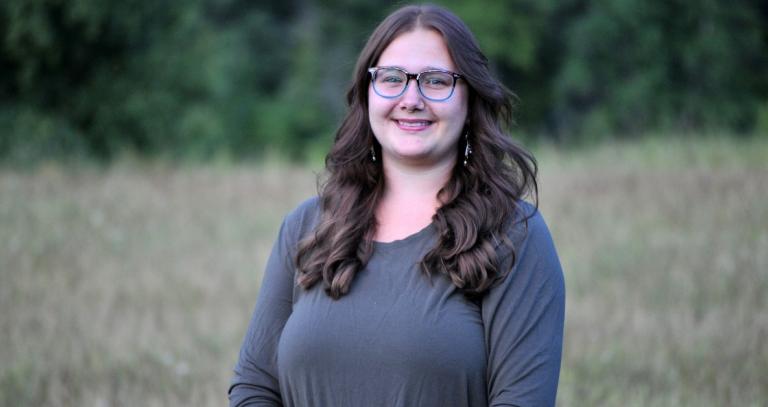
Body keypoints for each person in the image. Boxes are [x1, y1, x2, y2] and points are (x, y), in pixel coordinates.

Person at [229, 4, 565, 407]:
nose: (411, 99)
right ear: (368, 92)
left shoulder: (514, 234)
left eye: (436, 81)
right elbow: (254, 388)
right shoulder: (308, 227)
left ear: (470, 98)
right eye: (391, 79)